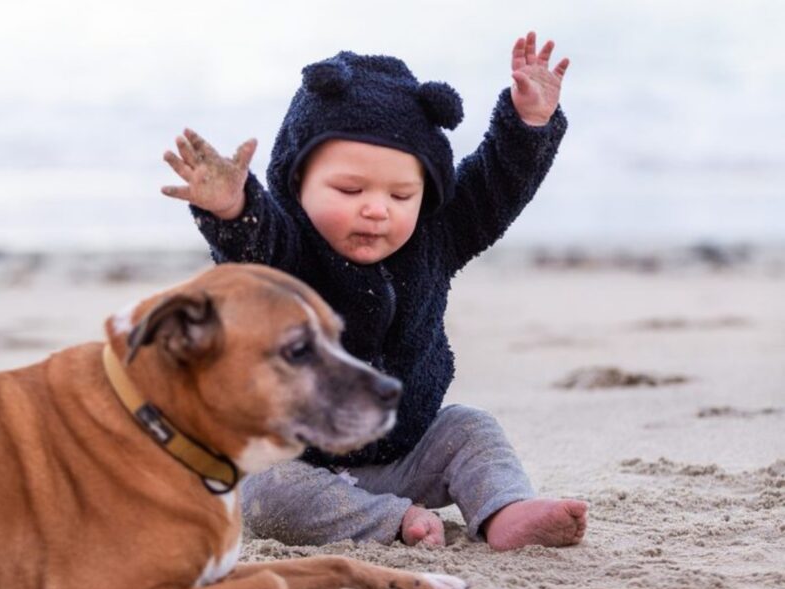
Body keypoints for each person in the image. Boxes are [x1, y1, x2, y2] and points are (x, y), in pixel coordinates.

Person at [161, 32, 587, 550]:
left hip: (405, 452)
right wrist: (231, 207)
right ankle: (389, 522)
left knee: (470, 429)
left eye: (400, 194)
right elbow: (252, 247)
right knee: (263, 492)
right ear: (297, 183)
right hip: (298, 464)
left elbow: (495, 186)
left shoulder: (437, 237)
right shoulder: (288, 252)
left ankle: (505, 510)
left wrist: (528, 124)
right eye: (350, 190)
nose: (377, 208)